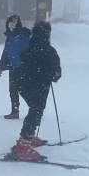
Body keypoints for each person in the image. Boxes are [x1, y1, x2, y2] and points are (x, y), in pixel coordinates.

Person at [11, 20, 62, 161]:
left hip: (22, 85)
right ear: (47, 34)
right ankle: (23, 145)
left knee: (34, 109)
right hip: (39, 86)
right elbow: (57, 73)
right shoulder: (49, 51)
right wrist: (53, 75)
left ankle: (29, 136)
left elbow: (22, 61)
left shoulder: (28, 48)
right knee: (36, 109)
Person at [0, 15, 31, 119]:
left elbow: (30, 50)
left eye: (15, 22)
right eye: (10, 22)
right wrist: (1, 66)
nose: (12, 24)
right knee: (13, 90)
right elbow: (6, 52)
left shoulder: (23, 35)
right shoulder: (10, 36)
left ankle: (35, 108)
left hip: (22, 66)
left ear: (18, 23)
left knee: (22, 89)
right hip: (13, 67)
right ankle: (15, 111)